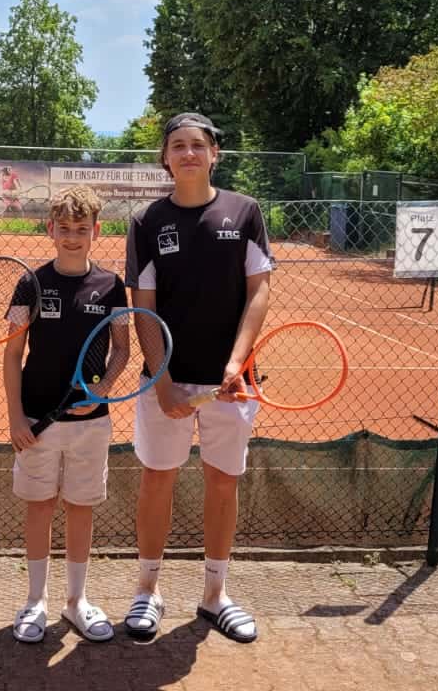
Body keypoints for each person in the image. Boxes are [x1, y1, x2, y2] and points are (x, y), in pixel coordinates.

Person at [122, 112, 273, 644]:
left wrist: (235, 364)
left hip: (232, 384)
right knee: (157, 479)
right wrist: (162, 378)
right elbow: (143, 303)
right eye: (178, 146)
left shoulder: (245, 211)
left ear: (214, 154)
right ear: (165, 158)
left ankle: (214, 595)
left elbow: (259, 290)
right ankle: (147, 590)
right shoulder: (145, 220)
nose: (188, 153)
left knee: (222, 482)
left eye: (198, 145)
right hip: (167, 381)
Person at [3, 185, 129, 644]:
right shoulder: (30, 283)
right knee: (40, 507)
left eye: (81, 228)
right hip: (38, 422)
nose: (72, 237)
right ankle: (35, 601)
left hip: (90, 424)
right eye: (65, 228)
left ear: (97, 231)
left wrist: (103, 389)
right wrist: (16, 418)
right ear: (50, 229)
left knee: (80, 508)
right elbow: (12, 354)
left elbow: (122, 350)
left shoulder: (112, 285)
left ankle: (76, 601)